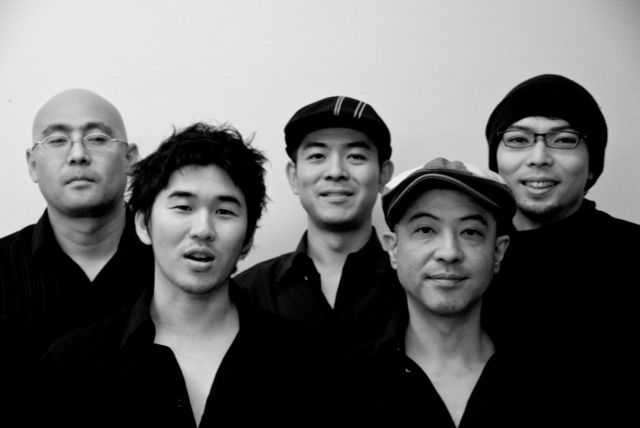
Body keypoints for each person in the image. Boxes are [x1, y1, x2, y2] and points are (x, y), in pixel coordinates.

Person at [31, 122, 323, 428]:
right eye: (183, 207)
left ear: (247, 239)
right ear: (143, 225)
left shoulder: (304, 358)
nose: (203, 230)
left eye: (224, 211)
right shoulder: (74, 363)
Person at [481, 73, 640, 425]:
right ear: (496, 161)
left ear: (592, 166)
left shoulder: (633, 256)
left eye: (564, 140)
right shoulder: (469, 258)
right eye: (518, 139)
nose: (539, 157)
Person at [0, 88, 152, 427]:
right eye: (57, 140)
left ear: (131, 158)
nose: (78, 154)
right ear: (32, 164)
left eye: (97, 139)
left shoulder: (173, 267)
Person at [330, 157, 515, 427]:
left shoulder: (550, 382)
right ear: (393, 249)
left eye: (470, 232)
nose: (449, 253)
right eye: (425, 229)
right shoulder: (340, 389)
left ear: (498, 252)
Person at [234, 95, 404, 356]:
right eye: (317, 156)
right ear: (293, 176)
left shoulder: (413, 287)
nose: (335, 171)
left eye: (356, 156)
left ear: (383, 175)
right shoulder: (246, 294)